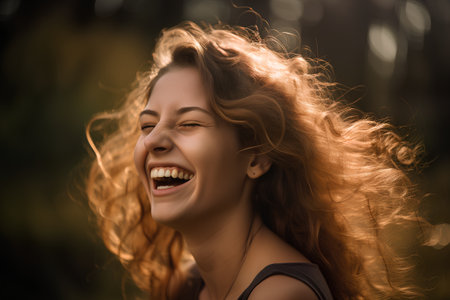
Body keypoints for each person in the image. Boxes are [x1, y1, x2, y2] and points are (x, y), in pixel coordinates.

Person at [86, 21, 426, 300]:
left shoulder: (282, 295)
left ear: (257, 158)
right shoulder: (185, 285)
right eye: (147, 125)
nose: (154, 141)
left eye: (189, 123)